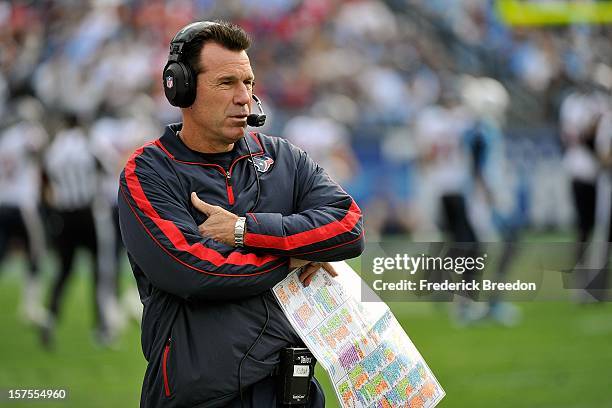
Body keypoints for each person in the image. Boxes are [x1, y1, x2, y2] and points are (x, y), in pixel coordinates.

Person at [118, 21, 364, 407]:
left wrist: (244, 230)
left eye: (248, 82)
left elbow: (349, 227)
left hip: (293, 391)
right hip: (201, 397)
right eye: (226, 83)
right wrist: (296, 256)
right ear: (181, 87)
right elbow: (195, 270)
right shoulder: (148, 171)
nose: (244, 97)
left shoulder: (284, 157)